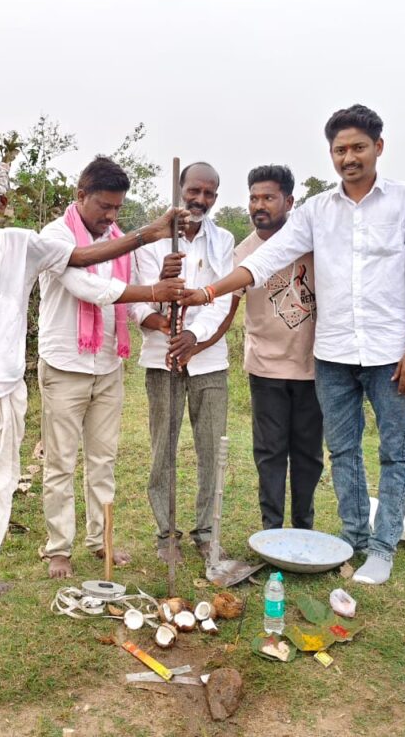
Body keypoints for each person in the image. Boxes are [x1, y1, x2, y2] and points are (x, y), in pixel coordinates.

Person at [180, 105, 405, 585]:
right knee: (343, 453)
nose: (349, 157)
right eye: (340, 149)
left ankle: (382, 549)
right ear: (331, 154)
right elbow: (268, 257)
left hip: (390, 352)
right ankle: (354, 540)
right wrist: (209, 291)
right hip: (334, 355)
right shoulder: (318, 212)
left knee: (395, 452)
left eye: (358, 147)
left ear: (378, 147)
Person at [0, 156, 187, 605]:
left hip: (5, 384)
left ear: (2, 202)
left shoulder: (24, 245)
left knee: (0, 482)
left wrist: (150, 249)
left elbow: (84, 258)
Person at [38, 157, 184, 579]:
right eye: (104, 206)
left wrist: (156, 313)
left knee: (103, 460)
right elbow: (89, 286)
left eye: (118, 208)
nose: (111, 216)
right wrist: (152, 282)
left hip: (107, 365)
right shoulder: (56, 236)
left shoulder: (119, 239)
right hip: (65, 365)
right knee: (61, 463)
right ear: (80, 196)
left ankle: (101, 539)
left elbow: (134, 301)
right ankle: (58, 548)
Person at [133, 162, 235, 563]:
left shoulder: (223, 239)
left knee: (211, 448)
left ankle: (207, 532)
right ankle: (165, 535)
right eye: (194, 191)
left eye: (209, 194)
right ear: (179, 189)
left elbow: (223, 296)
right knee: (164, 448)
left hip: (208, 359)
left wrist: (194, 337)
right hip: (162, 359)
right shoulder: (152, 239)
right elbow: (140, 302)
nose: (200, 200)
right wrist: (162, 283)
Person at [232, 165, 323, 530]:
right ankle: (271, 529)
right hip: (265, 368)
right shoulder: (243, 253)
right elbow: (229, 304)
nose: (260, 205)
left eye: (268, 197)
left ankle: (305, 528)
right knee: (269, 453)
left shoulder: (311, 246)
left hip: (312, 367)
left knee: (308, 454)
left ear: (289, 201)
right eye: (254, 198)